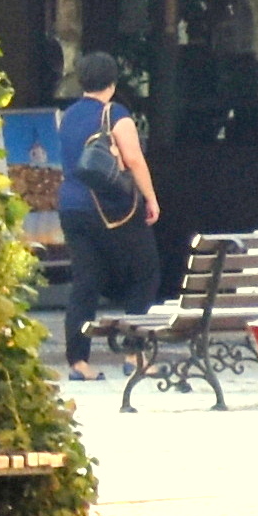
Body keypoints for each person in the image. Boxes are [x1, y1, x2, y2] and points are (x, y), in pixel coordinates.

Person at [52, 49, 164, 347]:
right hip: (110, 208)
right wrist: (151, 199)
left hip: (72, 207)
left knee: (85, 282)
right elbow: (134, 160)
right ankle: (134, 352)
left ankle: (78, 360)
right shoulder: (115, 114)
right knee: (145, 273)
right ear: (113, 82)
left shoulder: (68, 116)